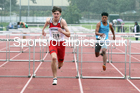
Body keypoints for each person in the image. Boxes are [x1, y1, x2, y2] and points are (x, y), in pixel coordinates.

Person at [42, 6, 70, 85]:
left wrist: (62, 31)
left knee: (60, 63)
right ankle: (55, 78)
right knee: (54, 58)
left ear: (60, 14)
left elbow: (69, 34)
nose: (56, 15)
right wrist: (43, 30)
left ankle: (59, 65)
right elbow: (44, 26)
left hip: (61, 43)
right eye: (55, 13)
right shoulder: (49, 20)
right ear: (52, 14)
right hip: (52, 42)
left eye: (57, 14)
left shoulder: (62, 22)